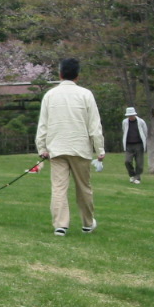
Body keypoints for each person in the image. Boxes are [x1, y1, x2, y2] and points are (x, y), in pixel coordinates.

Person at [36, 58, 104, 237]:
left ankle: (60, 224)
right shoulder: (86, 94)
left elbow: (43, 125)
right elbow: (94, 126)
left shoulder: (50, 95)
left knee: (58, 188)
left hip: (56, 149)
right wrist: (100, 149)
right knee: (84, 187)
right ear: (78, 75)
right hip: (80, 148)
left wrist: (41, 147)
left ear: (60, 74)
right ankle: (88, 223)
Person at [122, 107, 148, 185]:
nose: (130, 117)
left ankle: (137, 177)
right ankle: (132, 175)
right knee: (127, 161)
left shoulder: (141, 122)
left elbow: (145, 132)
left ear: (134, 114)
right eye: (129, 115)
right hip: (128, 145)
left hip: (138, 144)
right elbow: (124, 130)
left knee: (139, 163)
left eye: (132, 115)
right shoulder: (125, 122)